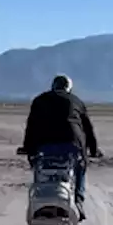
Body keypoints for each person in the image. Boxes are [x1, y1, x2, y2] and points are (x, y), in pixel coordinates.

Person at [18, 74, 103, 216]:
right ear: (69, 88)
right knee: (80, 166)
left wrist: (27, 148)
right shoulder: (76, 101)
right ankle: (78, 199)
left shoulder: (39, 100)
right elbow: (88, 129)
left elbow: (31, 126)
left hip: (44, 145)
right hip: (72, 145)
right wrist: (93, 150)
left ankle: (39, 197)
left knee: (39, 167)